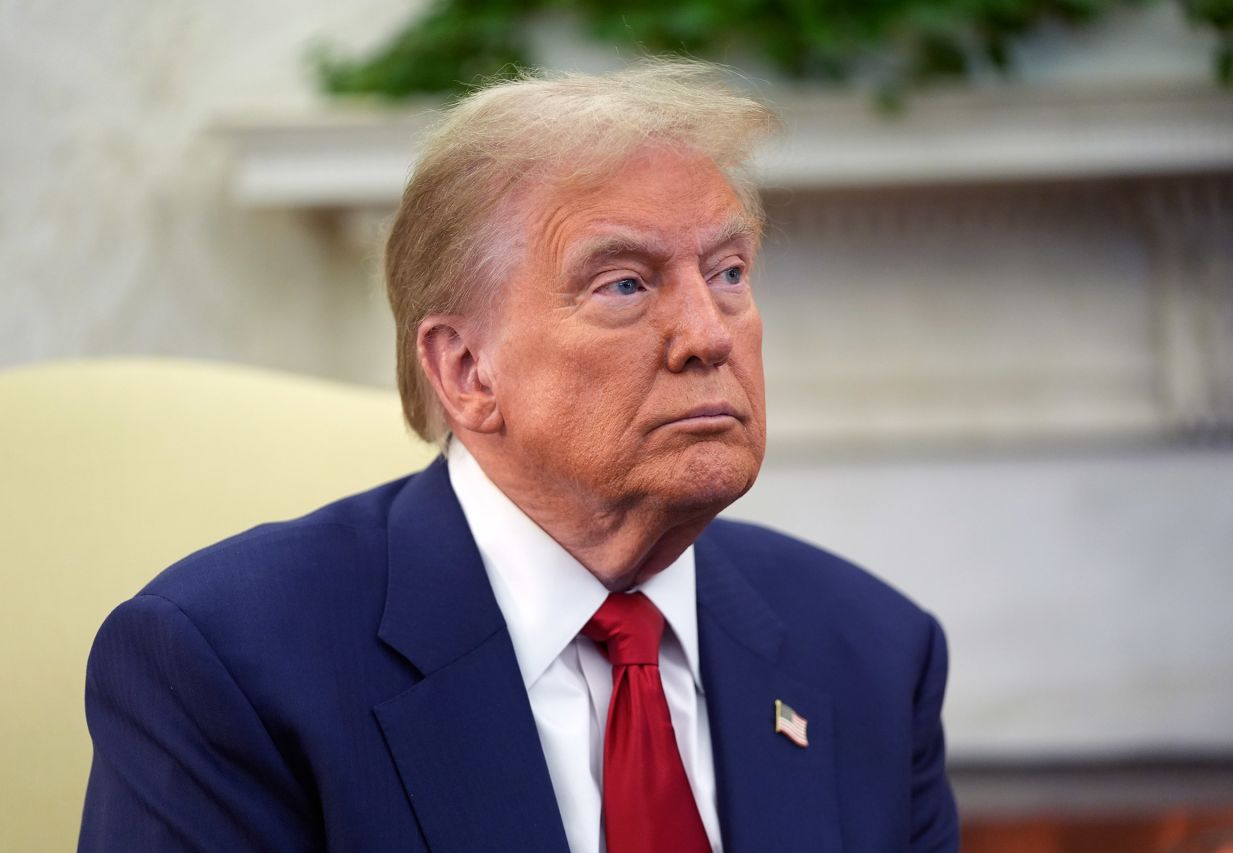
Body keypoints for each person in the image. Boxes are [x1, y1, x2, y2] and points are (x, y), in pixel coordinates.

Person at [79, 61, 959, 852]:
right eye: (625, 282)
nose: (708, 334)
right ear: (466, 370)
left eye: (728, 272)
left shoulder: (871, 653)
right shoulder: (227, 665)